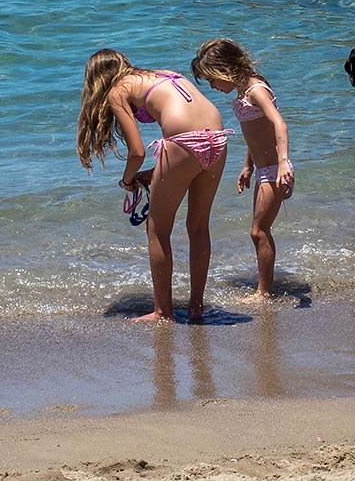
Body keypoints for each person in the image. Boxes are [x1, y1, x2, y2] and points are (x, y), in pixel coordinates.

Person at [78, 48, 233, 323]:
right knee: (198, 226)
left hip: (183, 144)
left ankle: (163, 312)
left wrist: (128, 180)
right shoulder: (161, 74)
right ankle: (197, 307)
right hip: (218, 139)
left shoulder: (117, 91)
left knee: (157, 229)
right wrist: (156, 171)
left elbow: (136, 152)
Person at [191, 38, 294, 300]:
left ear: (224, 69)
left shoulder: (256, 90)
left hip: (275, 170)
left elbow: (279, 125)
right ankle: (265, 288)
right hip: (263, 169)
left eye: (212, 80)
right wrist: (247, 166)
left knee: (259, 231)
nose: (213, 86)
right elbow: (257, 133)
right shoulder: (243, 92)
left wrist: (282, 163)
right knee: (258, 230)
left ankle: (264, 292)